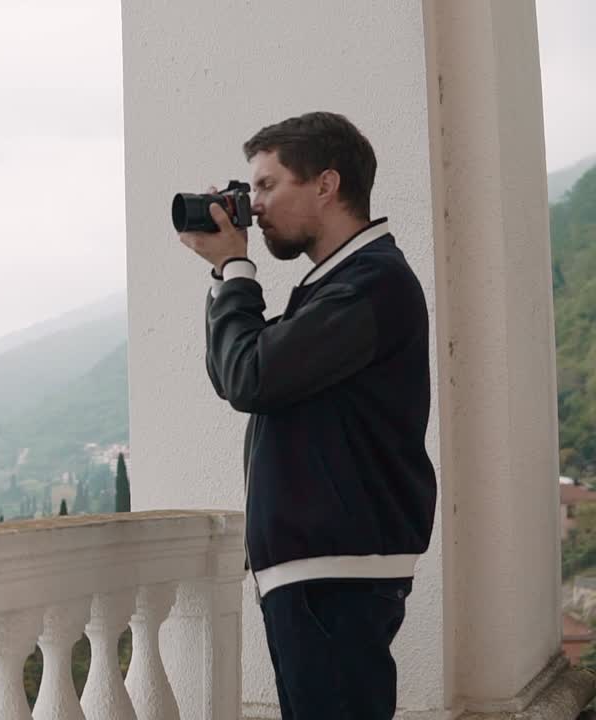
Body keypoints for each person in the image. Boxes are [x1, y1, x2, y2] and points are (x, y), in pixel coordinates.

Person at [177, 111, 438, 719]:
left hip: (335, 571)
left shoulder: (370, 284)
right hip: (324, 568)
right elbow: (237, 370)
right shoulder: (339, 285)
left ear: (326, 183)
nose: (254, 205)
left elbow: (248, 376)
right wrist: (224, 273)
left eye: (267, 185)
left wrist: (236, 269)